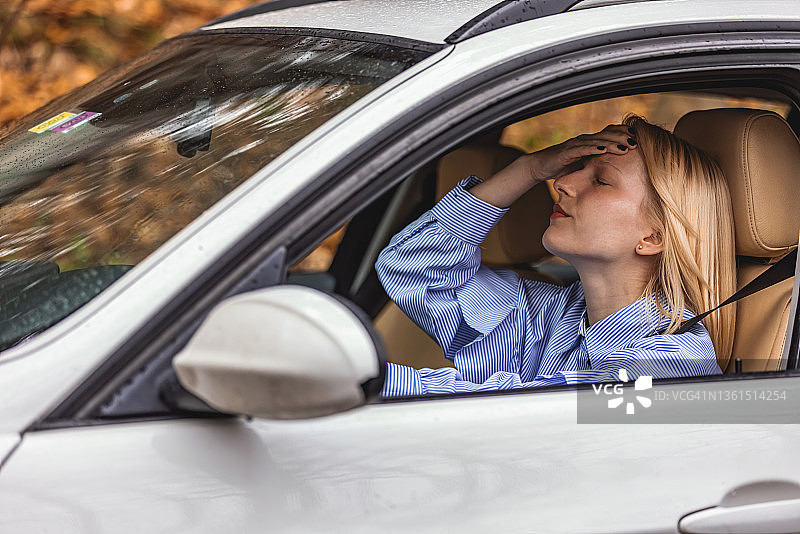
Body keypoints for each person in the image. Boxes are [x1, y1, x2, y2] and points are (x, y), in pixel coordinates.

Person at [376, 115, 737, 396]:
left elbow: (521, 414)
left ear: (653, 236)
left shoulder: (674, 362)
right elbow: (410, 267)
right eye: (577, 170)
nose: (562, 182)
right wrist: (529, 169)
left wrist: (363, 380)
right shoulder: (546, 314)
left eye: (600, 181)